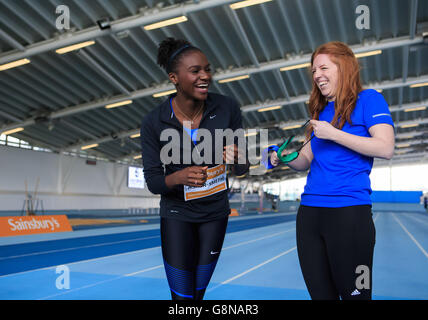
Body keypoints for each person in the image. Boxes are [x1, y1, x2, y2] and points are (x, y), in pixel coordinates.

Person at [270, 41, 395, 300]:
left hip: (350, 215)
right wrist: (285, 157)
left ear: (343, 67)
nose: (317, 75)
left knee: (357, 296)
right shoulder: (320, 112)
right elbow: (305, 160)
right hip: (309, 216)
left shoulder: (370, 100)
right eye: (313, 71)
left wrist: (334, 134)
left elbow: (385, 147)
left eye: (323, 67)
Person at [140, 38, 249, 300]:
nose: (205, 76)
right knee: (181, 296)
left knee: (198, 294)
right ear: (174, 78)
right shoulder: (154, 122)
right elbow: (154, 182)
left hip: (215, 214)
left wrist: (237, 158)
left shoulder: (227, 108)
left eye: (207, 69)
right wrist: (179, 176)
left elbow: (243, 168)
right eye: (195, 71)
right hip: (177, 214)